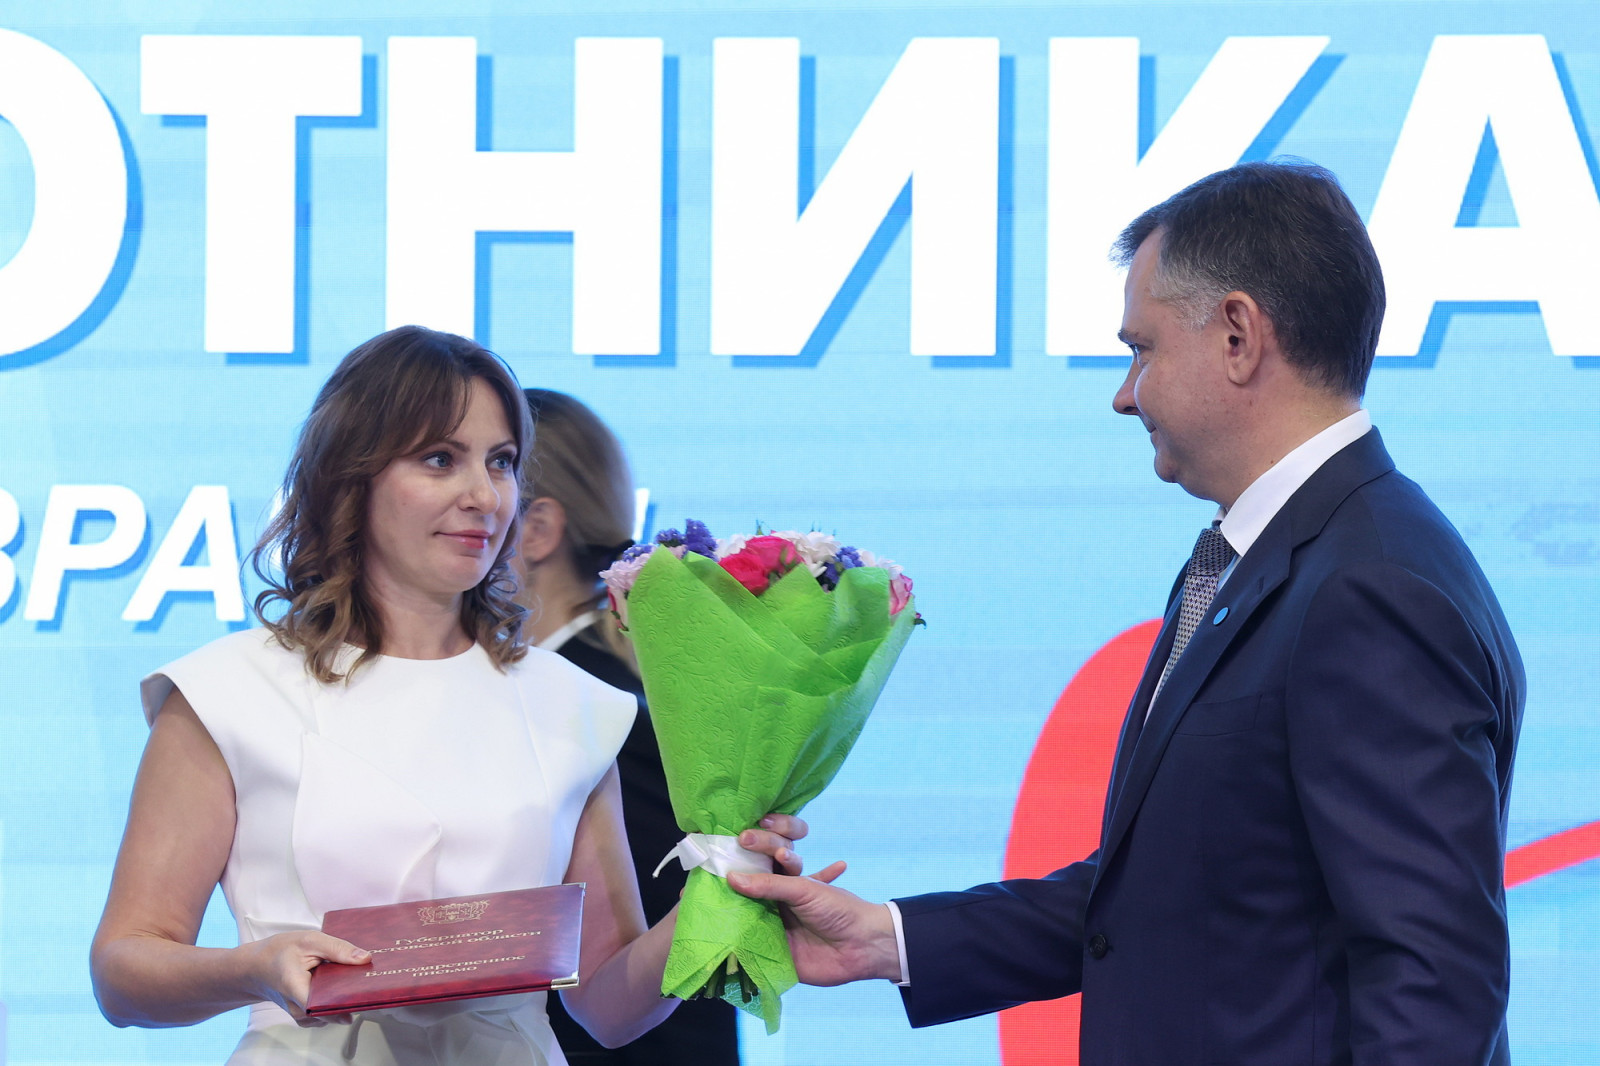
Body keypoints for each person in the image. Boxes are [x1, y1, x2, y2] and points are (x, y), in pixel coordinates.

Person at [731, 161, 1526, 1065]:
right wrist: (884, 940)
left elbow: (1433, 980)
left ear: (1238, 336)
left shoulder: (1369, 587)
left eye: (1141, 349)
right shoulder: (1273, 559)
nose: (1123, 392)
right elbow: (1168, 900)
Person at [89, 326, 807, 1065]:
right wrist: (254, 968)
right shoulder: (227, 692)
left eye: (502, 462)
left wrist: (719, 896)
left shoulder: (574, 703)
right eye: (440, 459)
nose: (483, 495)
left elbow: (607, 1006)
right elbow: (124, 968)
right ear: (352, 477)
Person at [513, 388, 739, 1066]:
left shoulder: (594, 706)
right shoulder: (584, 686)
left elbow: (648, 958)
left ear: (536, 529)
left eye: (493, 474)